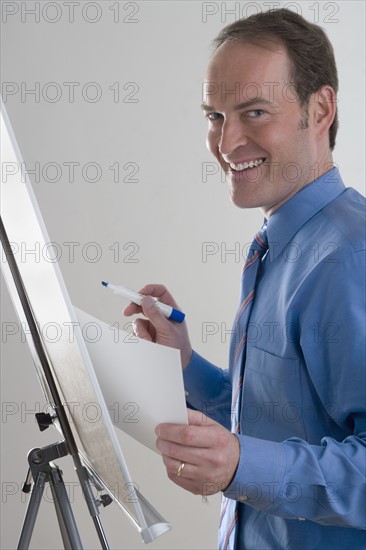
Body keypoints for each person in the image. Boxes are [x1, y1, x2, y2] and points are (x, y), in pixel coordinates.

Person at [124, 8, 366, 550]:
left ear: (320, 108)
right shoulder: (279, 244)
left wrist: (241, 465)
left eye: (254, 112)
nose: (227, 142)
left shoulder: (351, 256)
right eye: (214, 116)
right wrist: (184, 362)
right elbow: (278, 421)